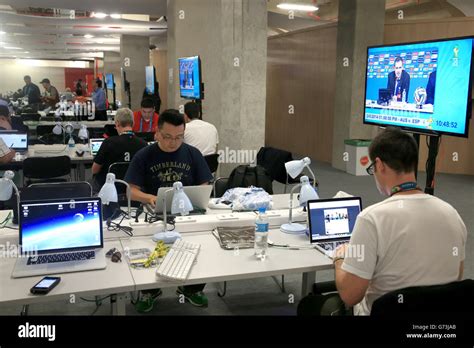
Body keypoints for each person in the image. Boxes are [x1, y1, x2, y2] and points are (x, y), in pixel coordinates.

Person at [298, 128, 466, 316]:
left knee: (308, 305)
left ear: (379, 165)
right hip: (437, 324)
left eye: (372, 169)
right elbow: (455, 277)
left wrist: (340, 258)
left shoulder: (371, 219)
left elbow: (350, 296)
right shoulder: (453, 215)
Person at [125, 109, 213, 313]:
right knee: (150, 250)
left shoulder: (192, 153)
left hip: (187, 214)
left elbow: (204, 185)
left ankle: (191, 289)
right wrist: (150, 198)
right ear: (156, 133)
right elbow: (131, 191)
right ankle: (150, 291)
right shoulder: (144, 155)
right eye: (167, 137)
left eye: (179, 137)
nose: (173, 142)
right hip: (153, 215)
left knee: (203, 245)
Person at [91, 108, 148, 191]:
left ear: (117, 123)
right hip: (134, 190)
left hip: (112, 190)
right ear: (133, 123)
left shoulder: (109, 142)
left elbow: (94, 170)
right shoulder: (143, 144)